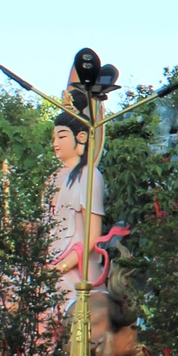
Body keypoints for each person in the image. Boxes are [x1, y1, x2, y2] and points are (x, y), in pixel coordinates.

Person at [46, 111, 105, 310]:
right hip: (49, 258)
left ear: (81, 137)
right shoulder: (53, 177)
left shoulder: (89, 175)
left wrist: (61, 268)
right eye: (54, 137)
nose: (55, 143)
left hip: (76, 268)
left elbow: (92, 235)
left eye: (62, 136)